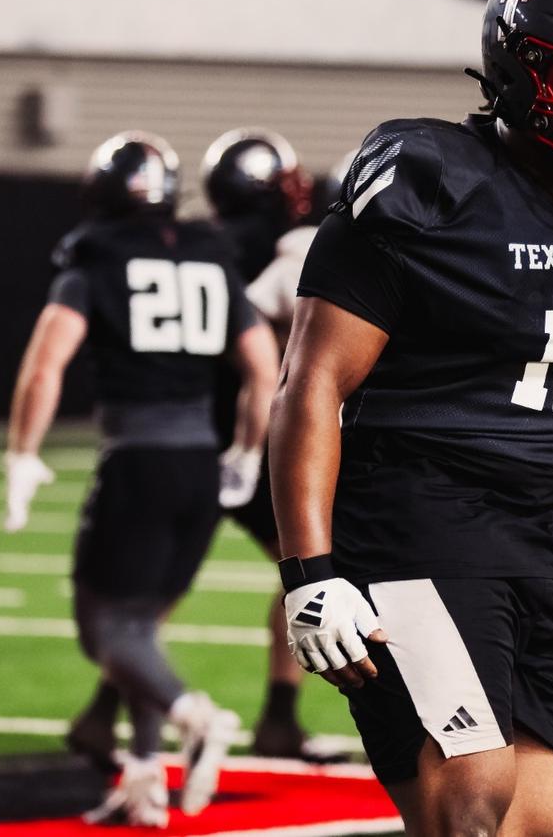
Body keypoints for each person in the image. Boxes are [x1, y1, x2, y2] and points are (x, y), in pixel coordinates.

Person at [268, 0, 553, 836]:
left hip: (543, 534)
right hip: (415, 518)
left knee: (541, 818)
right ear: (526, 72)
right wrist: (310, 575)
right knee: (469, 799)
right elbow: (311, 382)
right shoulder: (429, 180)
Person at [5, 131, 279, 825]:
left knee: (104, 628)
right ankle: (144, 777)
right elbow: (262, 364)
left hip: (137, 457)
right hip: (200, 467)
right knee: (139, 627)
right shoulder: (208, 252)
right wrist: (247, 451)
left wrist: (22, 453)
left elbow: (45, 364)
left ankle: (196, 717)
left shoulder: (93, 257)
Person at [200, 127, 323, 758]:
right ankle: (279, 715)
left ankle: (116, 703)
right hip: (252, 437)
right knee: (304, 567)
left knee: (151, 590)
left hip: (182, 432)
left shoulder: (194, 244)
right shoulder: (289, 247)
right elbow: (271, 355)